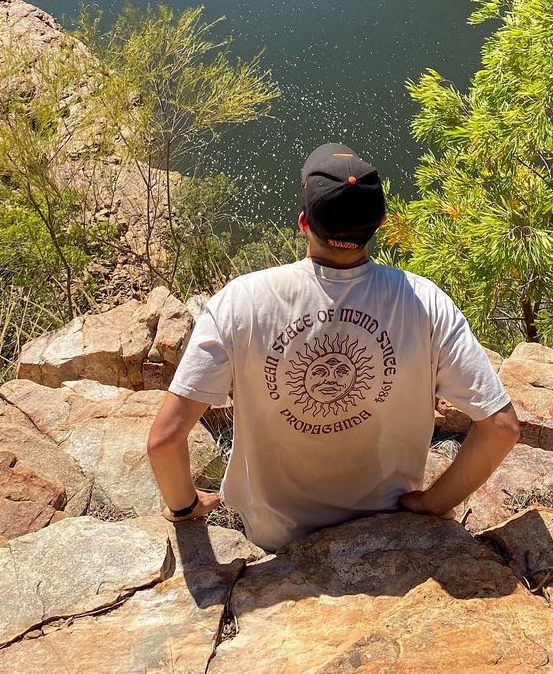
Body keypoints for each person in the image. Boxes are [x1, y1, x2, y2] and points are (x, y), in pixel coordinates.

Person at [147, 143, 520, 552]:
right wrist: (433, 504)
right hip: (388, 532)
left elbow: (164, 441)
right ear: (378, 223)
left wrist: (184, 507)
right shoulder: (424, 302)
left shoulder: (241, 302)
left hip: (275, 538)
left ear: (304, 223)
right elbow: (501, 428)